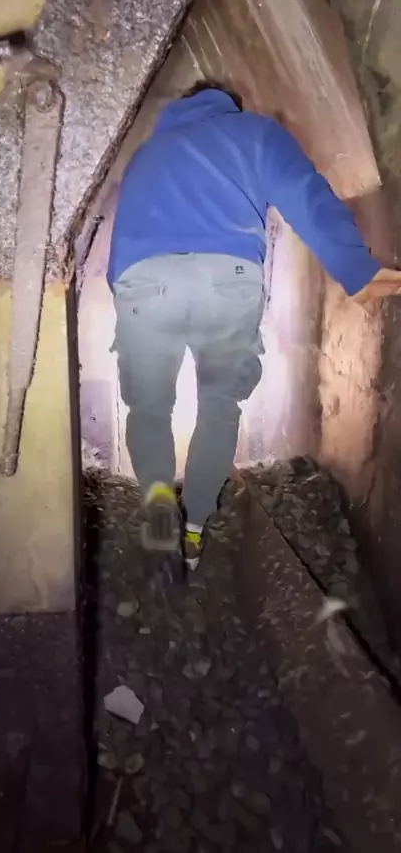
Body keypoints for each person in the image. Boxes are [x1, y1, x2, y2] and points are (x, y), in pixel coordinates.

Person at [106, 81, 401, 569]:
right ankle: (195, 526)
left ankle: (157, 498)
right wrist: (354, 268)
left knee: (150, 407)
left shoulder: (147, 153)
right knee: (219, 406)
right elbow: (305, 194)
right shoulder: (253, 133)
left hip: (146, 281)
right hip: (228, 279)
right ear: (231, 106)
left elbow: (121, 235)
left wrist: (127, 298)